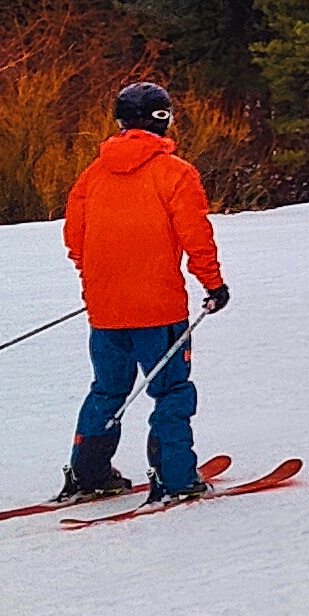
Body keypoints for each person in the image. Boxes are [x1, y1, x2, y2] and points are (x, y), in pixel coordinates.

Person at [56, 80, 230, 504]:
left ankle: (90, 472)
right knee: (170, 390)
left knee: (108, 389)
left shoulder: (92, 174)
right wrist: (213, 283)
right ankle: (174, 476)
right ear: (164, 118)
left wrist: (102, 280)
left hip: (105, 310)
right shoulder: (175, 173)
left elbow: (75, 239)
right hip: (159, 308)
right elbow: (195, 236)